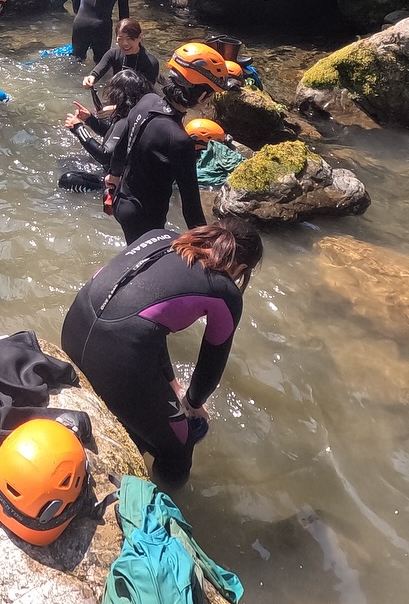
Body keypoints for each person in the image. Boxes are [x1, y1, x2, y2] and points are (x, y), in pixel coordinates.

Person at [62, 218, 263, 484]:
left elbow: (146, 327)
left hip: (74, 329)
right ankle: (167, 505)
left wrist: (173, 385)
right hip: (117, 357)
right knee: (180, 446)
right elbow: (211, 363)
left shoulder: (160, 235)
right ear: (241, 267)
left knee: (146, 419)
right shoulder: (225, 292)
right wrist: (193, 403)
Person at [103, 43, 238, 243]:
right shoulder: (180, 141)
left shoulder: (146, 100)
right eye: (211, 95)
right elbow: (190, 207)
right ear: (201, 95)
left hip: (122, 200)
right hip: (146, 220)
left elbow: (121, 148)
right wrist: (207, 244)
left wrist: (113, 176)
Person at [59, 70, 152, 194]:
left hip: (121, 180)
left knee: (67, 180)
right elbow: (115, 135)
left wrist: (78, 129)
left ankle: (102, 192)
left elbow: (104, 156)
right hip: (131, 173)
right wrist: (90, 119)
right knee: (66, 161)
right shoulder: (137, 113)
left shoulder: (126, 120)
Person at [83, 18, 159, 91]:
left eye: (129, 38)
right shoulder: (113, 54)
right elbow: (97, 72)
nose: (125, 43)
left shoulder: (151, 62)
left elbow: (147, 94)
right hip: (117, 95)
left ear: (140, 37)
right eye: (120, 39)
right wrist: (90, 78)